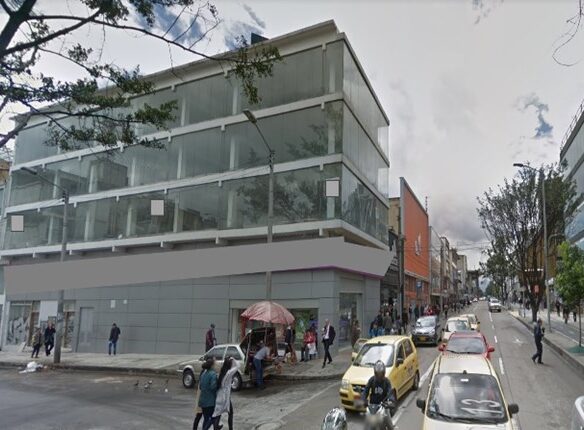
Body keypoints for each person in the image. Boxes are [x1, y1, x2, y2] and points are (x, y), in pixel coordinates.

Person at [361, 360, 395, 428]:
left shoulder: (387, 382)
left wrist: (390, 401)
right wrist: (363, 399)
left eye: (381, 374)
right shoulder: (372, 380)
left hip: (383, 407)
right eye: (378, 374)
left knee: (390, 425)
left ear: (384, 373)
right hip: (372, 407)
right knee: (366, 425)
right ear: (375, 373)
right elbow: (366, 390)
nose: (379, 376)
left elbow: (390, 393)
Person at [212, 357, 239, 430]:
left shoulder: (222, 372)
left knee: (218, 414)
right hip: (225, 397)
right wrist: (233, 359)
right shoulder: (229, 373)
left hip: (219, 396)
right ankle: (230, 428)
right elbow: (237, 366)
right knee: (230, 413)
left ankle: (216, 428)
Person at [199, 357, 218, 430]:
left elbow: (200, 386)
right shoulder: (213, 374)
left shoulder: (204, 374)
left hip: (203, 401)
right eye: (215, 364)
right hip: (210, 401)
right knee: (213, 417)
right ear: (212, 366)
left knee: (206, 419)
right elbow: (213, 387)